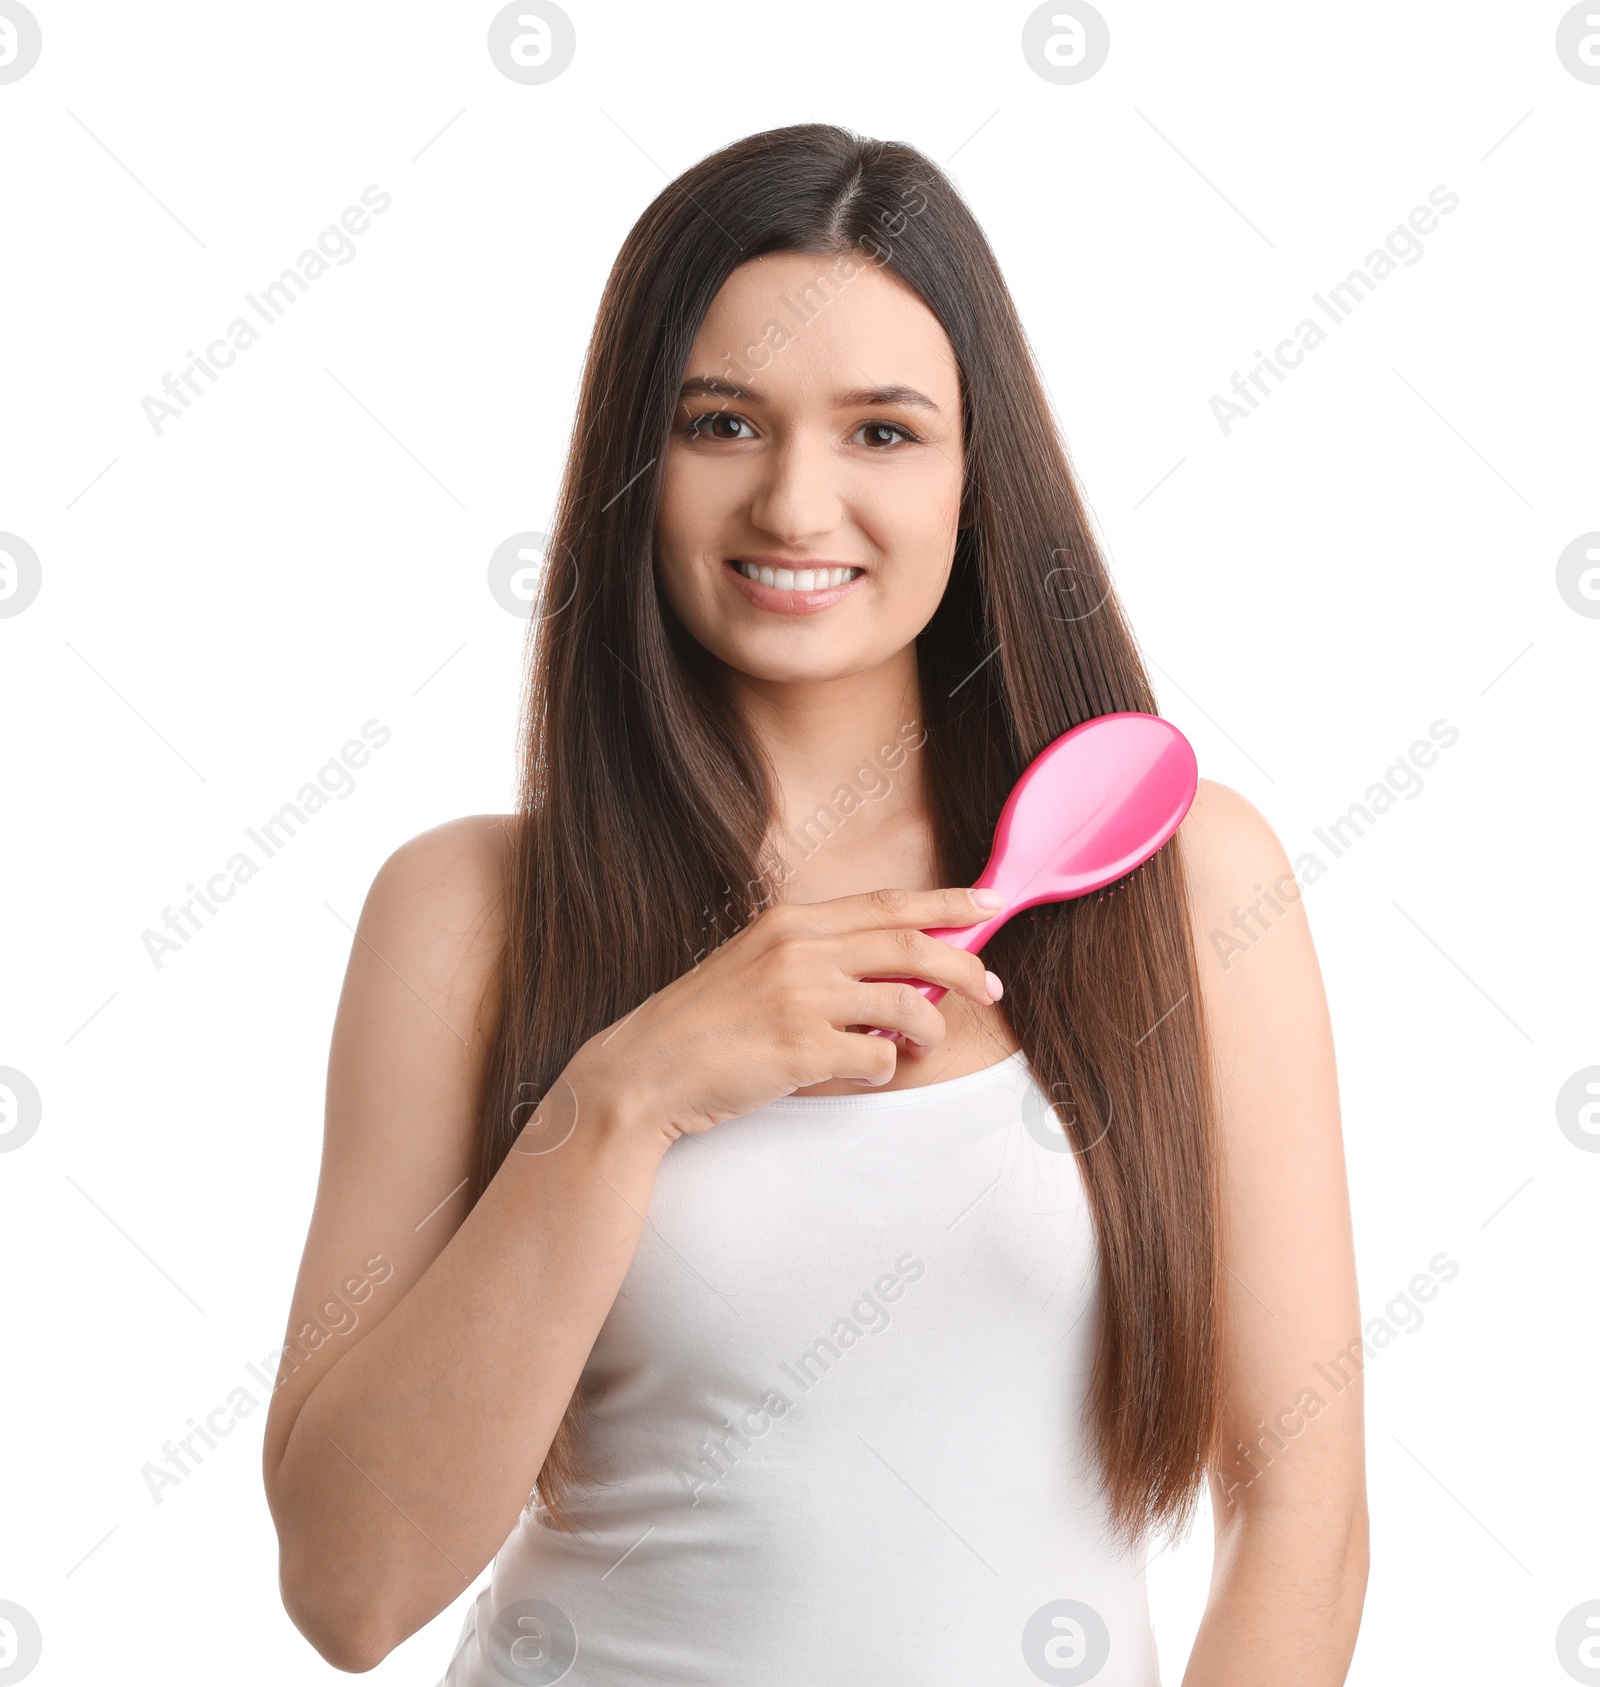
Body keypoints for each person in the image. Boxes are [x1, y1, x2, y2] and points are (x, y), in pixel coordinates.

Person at [262, 124, 1366, 1684]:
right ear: (637, 464)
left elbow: (1301, 1518)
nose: (795, 503)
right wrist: (627, 1093)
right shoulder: (464, 915)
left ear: (981, 481)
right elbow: (351, 1589)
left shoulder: (1174, 884)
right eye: (724, 422)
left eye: (883, 433)